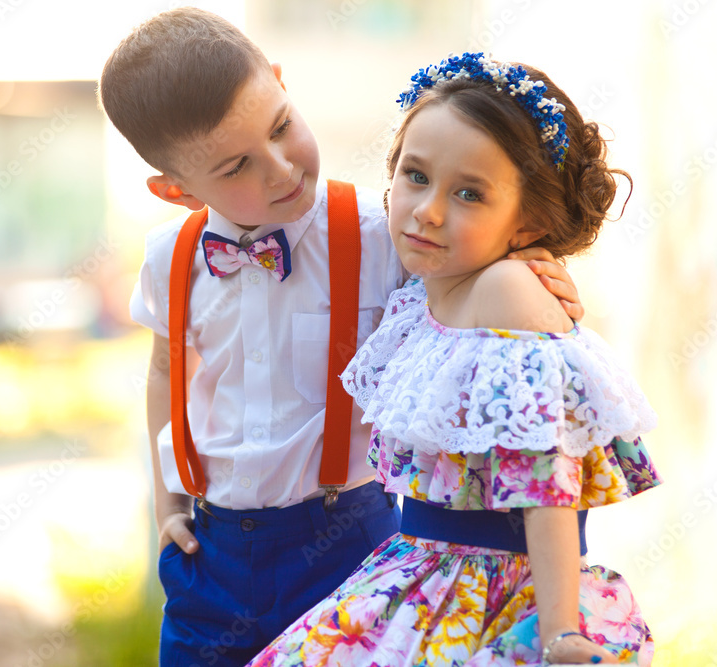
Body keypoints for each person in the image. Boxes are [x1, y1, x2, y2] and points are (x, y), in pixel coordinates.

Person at [99, 11, 585, 664]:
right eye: (238, 165)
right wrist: (168, 505)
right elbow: (166, 370)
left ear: (279, 81)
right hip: (207, 554)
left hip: (347, 541)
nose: (279, 169)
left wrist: (525, 273)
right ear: (177, 190)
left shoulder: (381, 233)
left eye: (280, 127)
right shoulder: (169, 257)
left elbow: (462, 290)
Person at [248, 52, 662, 667]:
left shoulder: (504, 291)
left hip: (489, 587)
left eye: (469, 193)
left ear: (528, 225)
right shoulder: (427, 290)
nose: (428, 210)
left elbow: (546, 481)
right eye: (415, 175)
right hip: (416, 563)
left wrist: (558, 632)